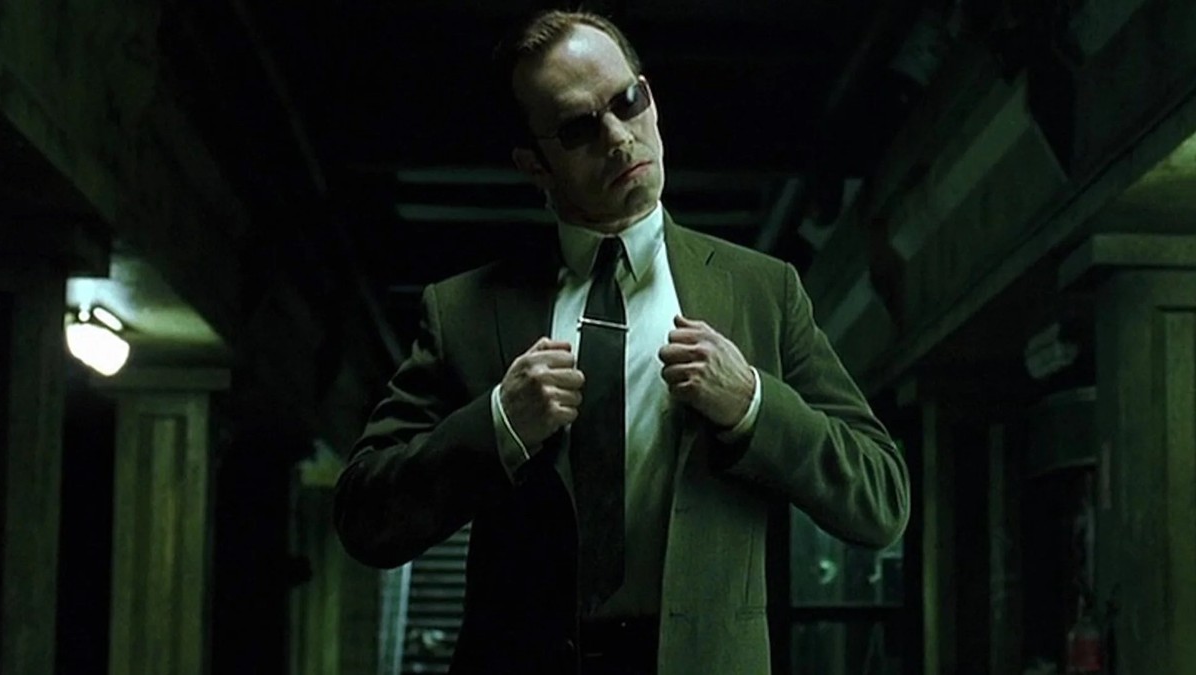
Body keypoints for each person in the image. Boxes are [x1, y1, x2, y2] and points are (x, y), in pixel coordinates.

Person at [334, 9, 910, 675]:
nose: (618, 137)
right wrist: (497, 425)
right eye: (578, 128)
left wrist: (754, 405)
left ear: (651, 99)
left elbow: (881, 500)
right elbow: (364, 517)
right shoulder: (463, 310)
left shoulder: (764, 291)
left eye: (627, 101)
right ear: (534, 163)